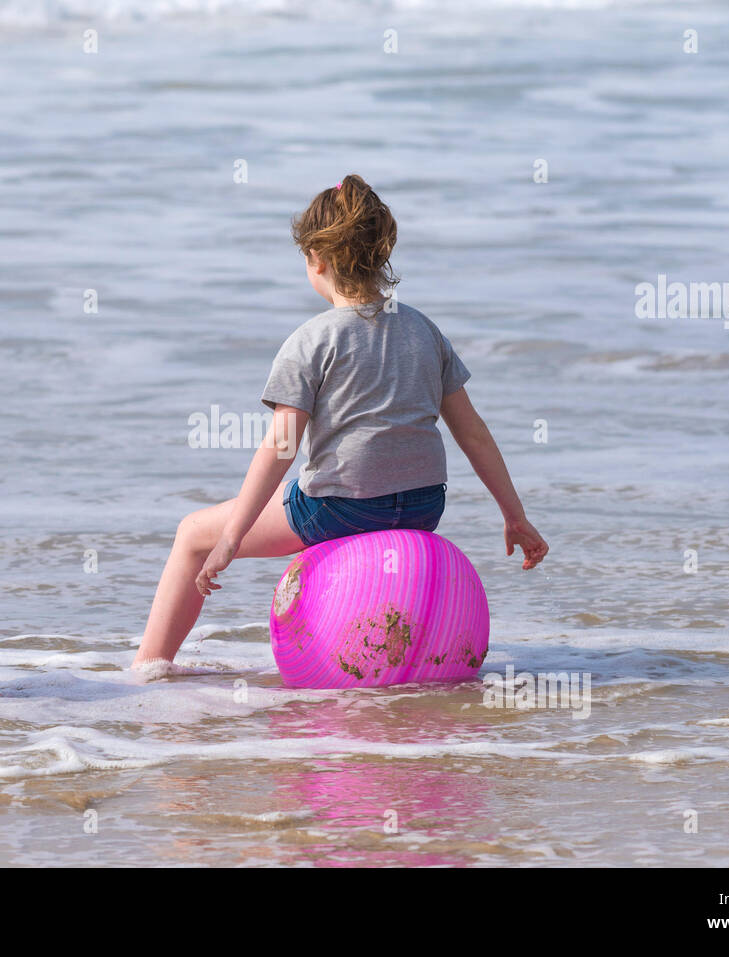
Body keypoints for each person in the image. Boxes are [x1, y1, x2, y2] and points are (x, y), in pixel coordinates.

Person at [133, 175, 547, 669]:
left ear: (318, 260)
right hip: (422, 509)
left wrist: (231, 538)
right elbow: (472, 431)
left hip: (341, 511)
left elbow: (280, 446)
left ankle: (149, 668)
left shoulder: (311, 340)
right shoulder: (423, 330)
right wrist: (514, 515)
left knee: (191, 534)